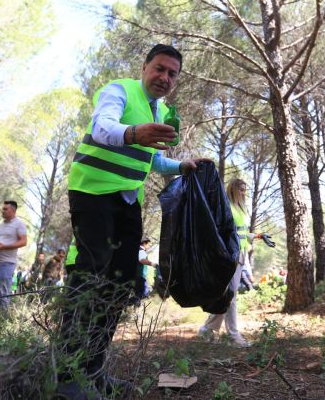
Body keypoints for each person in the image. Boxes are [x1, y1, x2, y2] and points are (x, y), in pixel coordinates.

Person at [58, 44, 209, 398]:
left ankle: (92, 371)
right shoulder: (119, 91)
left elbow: (150, 161)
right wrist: (133, 133)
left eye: (172, 74)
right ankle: (66, 378)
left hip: (128, 203)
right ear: (144, 68)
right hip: (93, 194)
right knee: (90, 277)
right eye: (159, 69)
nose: (165, 78)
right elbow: (102, 128)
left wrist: (181, 166)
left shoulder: (162, 110)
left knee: (118, 284)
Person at [199, 178, 271, 348]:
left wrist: (259, 236)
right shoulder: (226, 208)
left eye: (245, 190)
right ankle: (232, 334)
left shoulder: (242, 210)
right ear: (232, 190)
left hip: (241, 255)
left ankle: (208, 329)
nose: (243, 193)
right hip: (229, 255)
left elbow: (243, 233)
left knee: (228, 295)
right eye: (241, 189)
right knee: (230, 294)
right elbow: (222, 233)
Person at [0, 200, 27, 311]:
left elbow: (23, 242)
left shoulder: (19, 224)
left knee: (3, 293)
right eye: (3, 209)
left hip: (6, 264)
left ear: (13, 211)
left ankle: (2, 320)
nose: (2, 211)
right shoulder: (1, 225)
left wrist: (4, 247)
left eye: (5, 209)